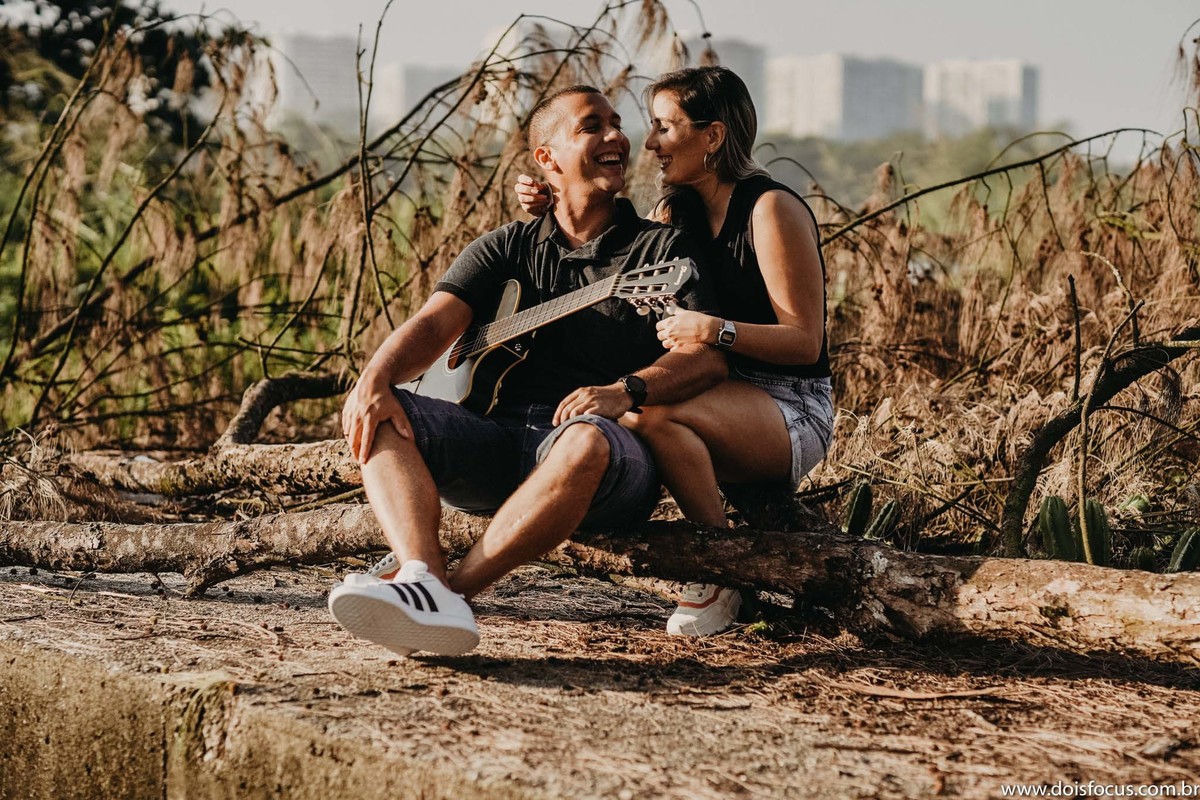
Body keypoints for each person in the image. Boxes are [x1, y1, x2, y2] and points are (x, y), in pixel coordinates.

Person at [329, 85, 726, 658]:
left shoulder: (661, 249)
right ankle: (420, 570)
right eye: (592, 126)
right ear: (547, 159)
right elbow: (435, 325)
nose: (617, 135)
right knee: (382, 410)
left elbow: (706, 356)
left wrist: (626, 390)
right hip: (496, 438)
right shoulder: (507, 246)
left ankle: (448, 593)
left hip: (606, 454)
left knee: (584, 443)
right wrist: (373, 378)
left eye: (618, 124)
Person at [515, 66, 834, 637]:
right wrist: (554, 195)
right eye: (652, 126)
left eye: (665, 127)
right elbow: (607, 242)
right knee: (652, 411)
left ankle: (717, 573)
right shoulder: (673, 214)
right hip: (712, 396)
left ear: (712, 137)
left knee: (648, 408)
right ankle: (723, 565)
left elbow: (804, 342)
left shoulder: (770, 209)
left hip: (790, 406)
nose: (650, 142)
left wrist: (716, 330)